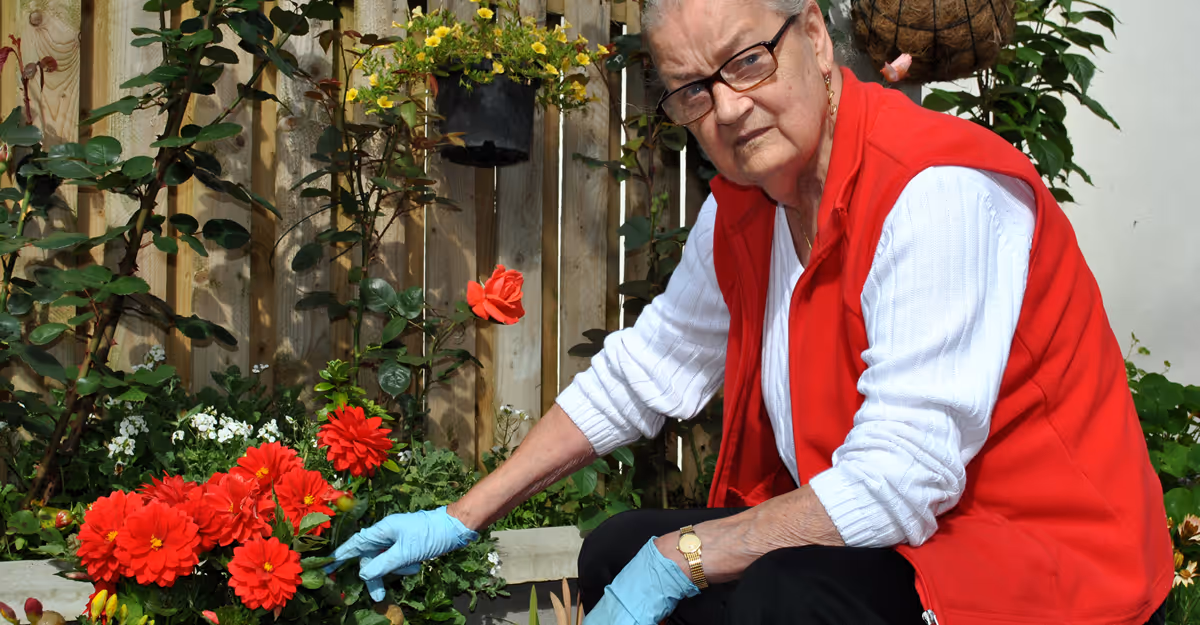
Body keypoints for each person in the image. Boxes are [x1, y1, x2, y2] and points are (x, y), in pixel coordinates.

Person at [324, 0, 1173, 622]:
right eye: (692, 90)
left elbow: (899, 481)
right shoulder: (751, 201)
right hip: (906, 536)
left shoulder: (935, 190)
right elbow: (646, 371)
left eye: (747, 63)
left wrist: (682, 560)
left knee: (776, 594)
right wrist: (462, 514)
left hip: (1037, 556)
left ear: (811, 33)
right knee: (616, 545)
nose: (728, 107)